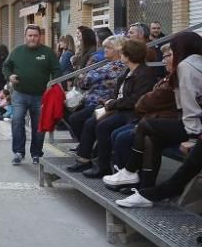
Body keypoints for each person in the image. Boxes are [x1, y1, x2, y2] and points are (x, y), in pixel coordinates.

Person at [106, 31, 202, 192]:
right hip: (183, 123)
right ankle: (143, 188)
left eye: (170, 53)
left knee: (141, 128)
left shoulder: (185, 67)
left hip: (191, 128)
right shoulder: (191, 66)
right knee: (149, 137)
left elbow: (187, 105)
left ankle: (131, 173)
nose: (164, 59)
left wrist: (193, 138)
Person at [65, 39, 155, 178]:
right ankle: (86, 160)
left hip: (131, 113)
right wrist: (109, 103)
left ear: (129, 55)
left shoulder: (144, 74)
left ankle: (104, 166)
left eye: (123, 52)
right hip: (118, 108)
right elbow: (117, 93)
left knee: (103, 126)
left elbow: (135, 100)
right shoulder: (128, 71)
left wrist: (112, 104)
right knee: (91, 122)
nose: (121, 54)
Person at [3, 25, 61, 166]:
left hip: (41, 96)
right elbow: (6, 66)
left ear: (40, 36)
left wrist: (53, 86)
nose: (33, 38)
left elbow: (57, 70)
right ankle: (18, 152)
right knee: (16, 120)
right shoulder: (17, 51)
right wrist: (10, 76)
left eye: (35, 35)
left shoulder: (47, 52)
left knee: (38, 126)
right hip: (20, 94)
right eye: (30, 35)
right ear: (25, 36)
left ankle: (36, 153)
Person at [67, 36, 128, 142]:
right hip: (95, 101)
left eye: (109, 48)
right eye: (105, 47)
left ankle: (85, 147)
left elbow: (84, 82)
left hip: (99, 103)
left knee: (74, 118)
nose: (105, 50)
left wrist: (83, 76)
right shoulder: (110, 65)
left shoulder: (111, 67)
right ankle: (85, 146)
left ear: (118, 50)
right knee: (71, 112)